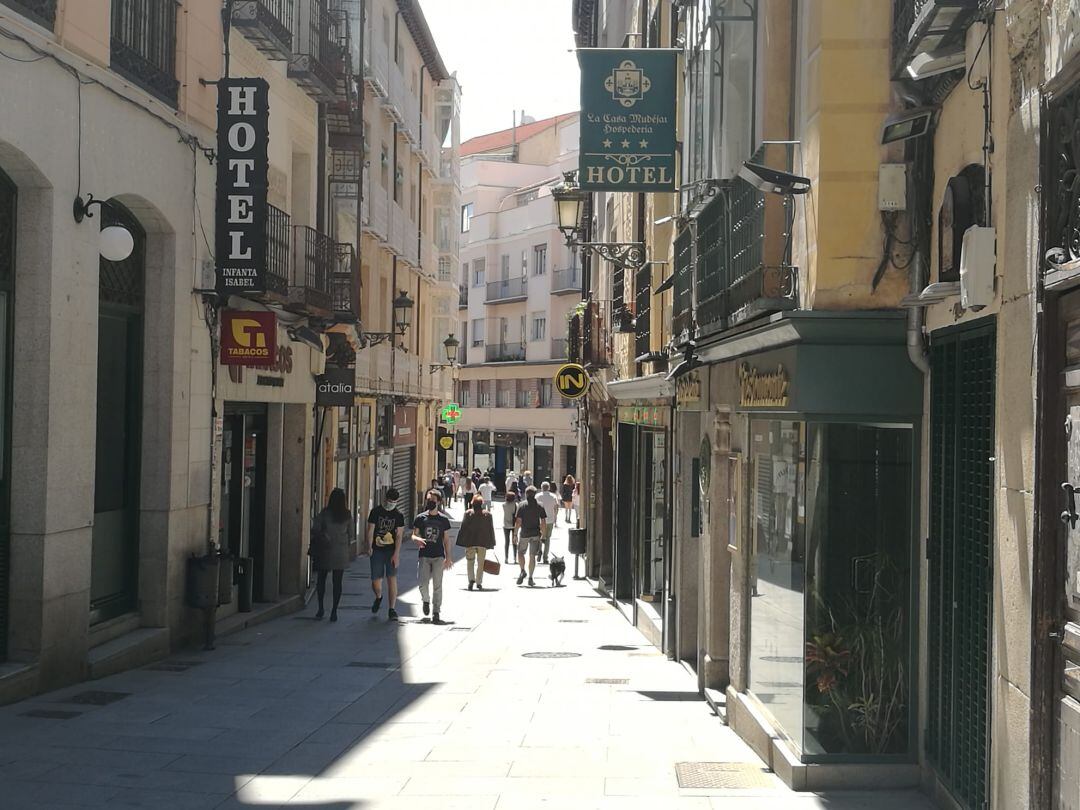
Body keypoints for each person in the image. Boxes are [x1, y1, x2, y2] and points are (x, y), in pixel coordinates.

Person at [310, 488, 355, 622]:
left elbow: (315, 529)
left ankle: (320, 608)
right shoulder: (347, 515)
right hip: (340, 552)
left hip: (325, 550)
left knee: (321, 580)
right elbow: (351, 534)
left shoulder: (324, 513)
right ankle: (334, 611)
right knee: (337, 582)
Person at [412, 490, 453, 624]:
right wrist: (416, 539)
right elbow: (414, 534)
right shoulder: (420, 518)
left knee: (437, 585)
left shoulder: (443, 520)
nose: (430, 502)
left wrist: (448, 557)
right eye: (428, 499)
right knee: (422, 584)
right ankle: (425, 600)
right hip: (424, 555)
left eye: (433, 500)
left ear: (439, 502)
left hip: (438, 556)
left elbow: (446, 539)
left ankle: (436, 611)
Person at [365, 487, 404, 620]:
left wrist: (396, 554)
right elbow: (370, 529)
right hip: (376, 550)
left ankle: (392, 609)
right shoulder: (376, 512)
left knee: (391, 578)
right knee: (376, 580)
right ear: (385, 499)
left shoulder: (398, 515)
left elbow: (399, 535)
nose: (391, 503)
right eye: (389, 500)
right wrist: (369, 546)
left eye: (394, 501)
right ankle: (378, 596)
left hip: (391, 551)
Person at [456, 494, 497, 591]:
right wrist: (492, 542)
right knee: (480, 563)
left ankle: (471, 580)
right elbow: (490, 529)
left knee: (470, 562)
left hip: (470, 542)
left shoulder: (468, 513)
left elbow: (463, 528)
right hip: (482, 542)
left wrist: (461, 540)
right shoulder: (487, 515)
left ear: (472, 503)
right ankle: (479, 582)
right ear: (482, 504)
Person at [515, 486, 547, 586]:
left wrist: (515, 534)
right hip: (535, 534)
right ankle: (530, 577)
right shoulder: (540, 505)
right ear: (535, 494)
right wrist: (544, 535)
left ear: (526, 494)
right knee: (532, 556)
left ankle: (522, 570)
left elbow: (518, 521)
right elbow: (543, 521)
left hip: (524, 533)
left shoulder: (521, 505)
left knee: (520, 553)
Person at [535, 481, 560, 563]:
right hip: (550, 520)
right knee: (548, 539)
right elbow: (556, 508)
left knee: (540, 537)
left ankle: (539, 551)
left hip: (539, 520)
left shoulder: (537, 496)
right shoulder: (553, 496)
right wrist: (555, 518)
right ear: (548, 488)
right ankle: (545, 557)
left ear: (542, 487)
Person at [502, 490, 519, 559]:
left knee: (507, 542)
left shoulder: (504, 505)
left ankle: (506, 557)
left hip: (506, 524)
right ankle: (515, 557)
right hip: (514, 525)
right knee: (514, 541)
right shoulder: (516, 505)